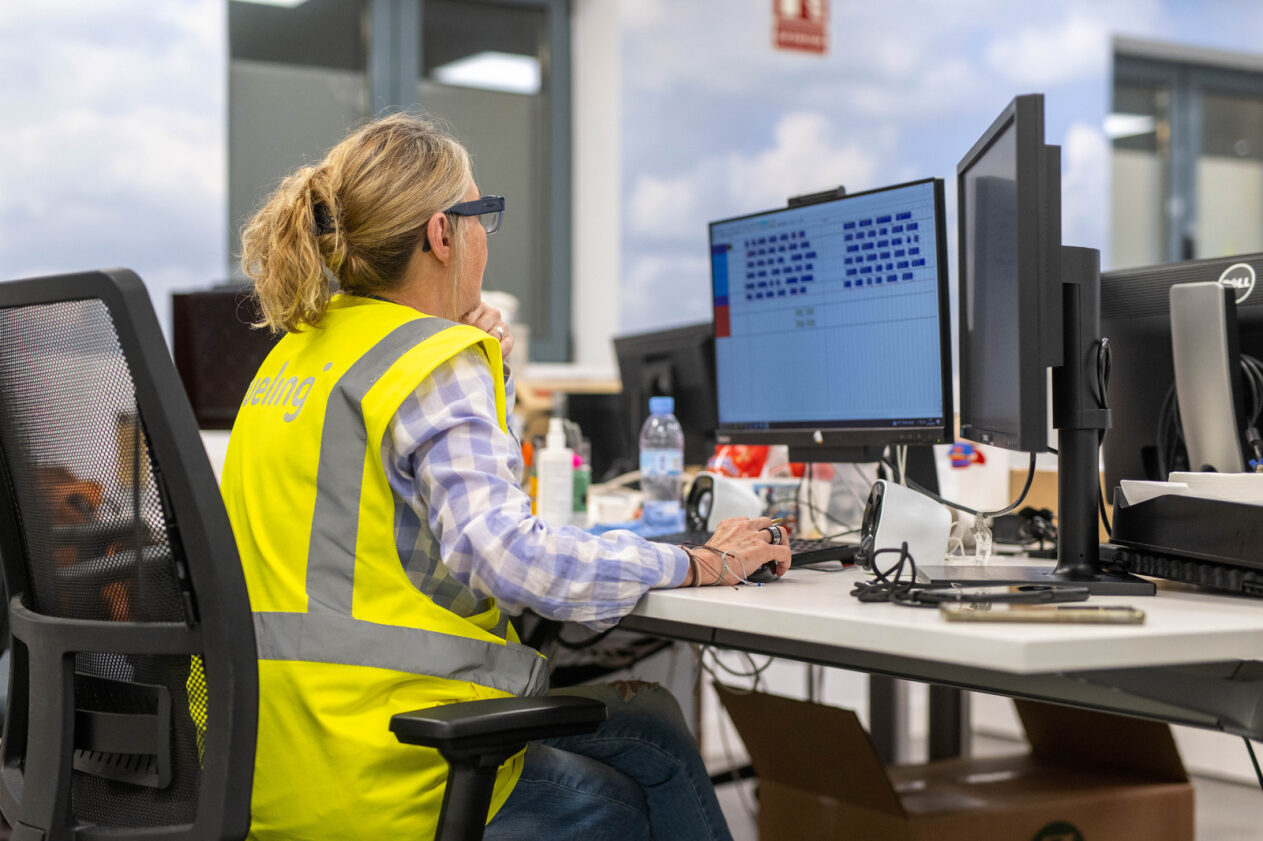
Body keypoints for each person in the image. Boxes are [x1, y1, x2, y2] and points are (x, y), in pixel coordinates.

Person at [220, 112, 790, 841]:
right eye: (481, 212)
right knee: (647, 782)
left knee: (649, 724)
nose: (487, 233)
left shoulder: (298, 354)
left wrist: (490, 369)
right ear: (441, 233)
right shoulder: (430, 359)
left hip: (271, 758)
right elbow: (506, 553)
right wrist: (697, 561)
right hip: (389, 770)